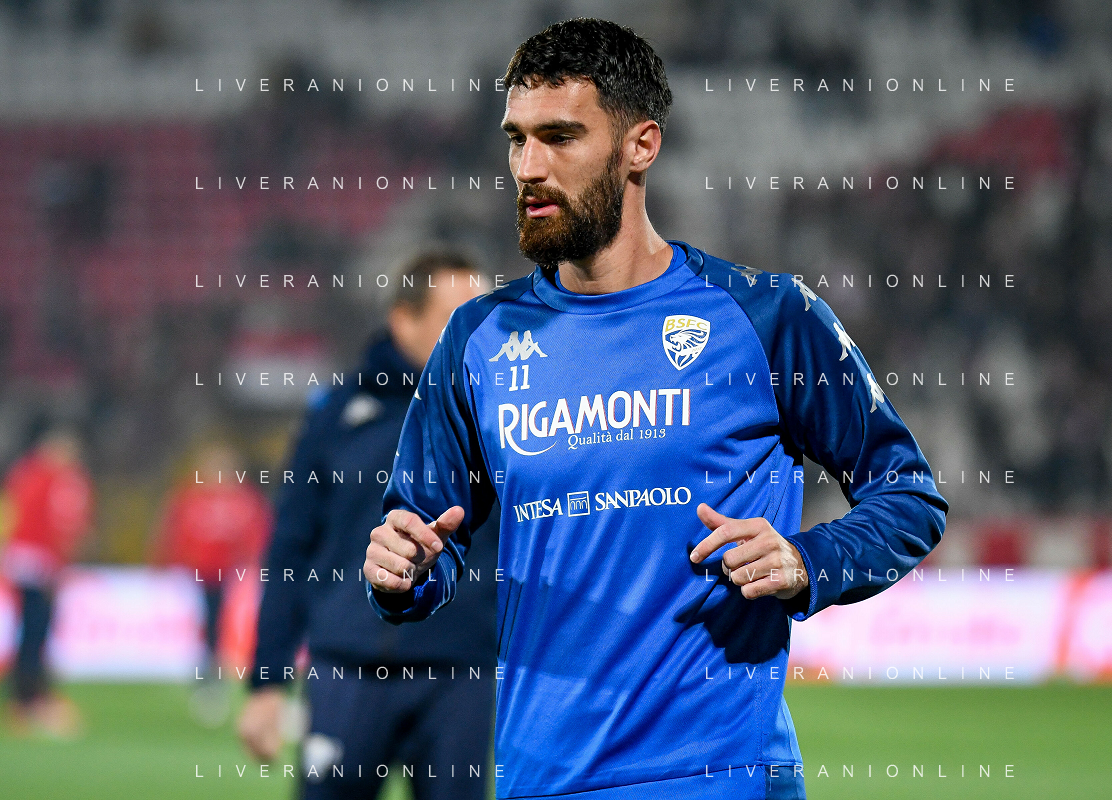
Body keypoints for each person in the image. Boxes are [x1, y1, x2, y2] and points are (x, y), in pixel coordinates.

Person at [364, 19, 948, 800]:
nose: (529, 167)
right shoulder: (478, 338)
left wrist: (809, 559)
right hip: (543, 778)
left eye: (560, 137)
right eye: (517, 140)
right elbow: (419, 538)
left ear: (640, 146)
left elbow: (908, 496)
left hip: (718, 774)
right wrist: (400, 572)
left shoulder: (766, 318)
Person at [240, 250, 499, 800]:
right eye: (456, 317)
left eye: (482, 316)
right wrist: (268, 680)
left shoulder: (505, 413)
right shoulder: (336, 414)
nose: (475, 333)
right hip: (348, 669)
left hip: (460, 675)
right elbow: (291, 549)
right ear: (404, 319)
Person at [1, 426, 93, 738]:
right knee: (36, 629)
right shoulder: (53, 480)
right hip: (39, 563)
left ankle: (27, 696)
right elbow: (56, 524)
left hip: (27, 560)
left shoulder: (26, 474)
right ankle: (30, 698)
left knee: (32, 630)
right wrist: (57, 562)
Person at [154, 441, 272, 676]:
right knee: (202, 617)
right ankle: (205, 662)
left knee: (222, 618)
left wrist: (252, 560)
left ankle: (217, 663)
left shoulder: (244, 499)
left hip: (230, 571)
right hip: (197, 571)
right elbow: (174, 531)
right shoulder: (191, 496)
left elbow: (257, 532)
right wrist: (170, 562)